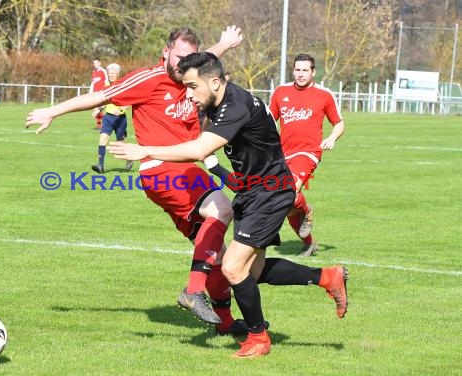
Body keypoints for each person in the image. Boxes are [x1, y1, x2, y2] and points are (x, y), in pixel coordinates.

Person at [109, 52, 349, 359]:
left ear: (214, 82)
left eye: (193, 86)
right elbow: (206, 146)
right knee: (255, 271)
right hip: (253, 192)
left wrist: (143, 150)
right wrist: (224, 174)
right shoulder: (220, 102)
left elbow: (199, 148)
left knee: (234, 268)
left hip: (270, 193)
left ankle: (258, 338)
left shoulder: (235, 106)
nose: (189, 93)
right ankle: (327, 277)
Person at [26, 26, 247, 335]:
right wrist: (53, 110)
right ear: (166, 52)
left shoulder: (190, 76)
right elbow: (99, 97)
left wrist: (223, 45)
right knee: (223, 209)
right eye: (179, 57)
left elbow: (206, 60)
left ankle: (225, 325)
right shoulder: (149, 79)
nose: (184, 65)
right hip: (161, 169)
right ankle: (193, 291)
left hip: (182, 170)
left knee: (213, 251)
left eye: (190, 59)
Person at [269, 53, 345, 256]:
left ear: (313, 72)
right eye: (297, 70)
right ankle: (309, 243)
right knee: (286, 202)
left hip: (308, 152)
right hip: (282, 154)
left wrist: (331, 138)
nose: (300, 74)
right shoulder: (280, 92)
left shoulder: (324, 95)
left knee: (289, 191)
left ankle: (307, 211)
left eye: (305, 70)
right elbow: (269, 122)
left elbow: (339, 123)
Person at [90, 63, 133, 173]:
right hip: (108, 117)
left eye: (113, 73)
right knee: (103, 139)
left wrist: (121, 109)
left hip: (120, 119)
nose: (111, 75)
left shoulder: (123, 85)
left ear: (118, 74)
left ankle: (129, 160)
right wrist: (98, 110)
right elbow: (105, 101)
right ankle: (100, 165)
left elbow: (130, 100)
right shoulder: (106, 85)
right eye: (109, 73)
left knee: (120, 142)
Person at [89, 58, 110, 130]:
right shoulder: (94, 72)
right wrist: (90, 92)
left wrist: (106, 91)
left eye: (96, 63)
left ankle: (105, 122)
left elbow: (106, 81)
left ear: (100, 63)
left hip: (100, 93)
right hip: (94, 93)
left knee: (98, 109)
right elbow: (93, 83)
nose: (95, 65)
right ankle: (99, 125)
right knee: (95, 109)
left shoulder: (103, 71)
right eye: (94, 63)